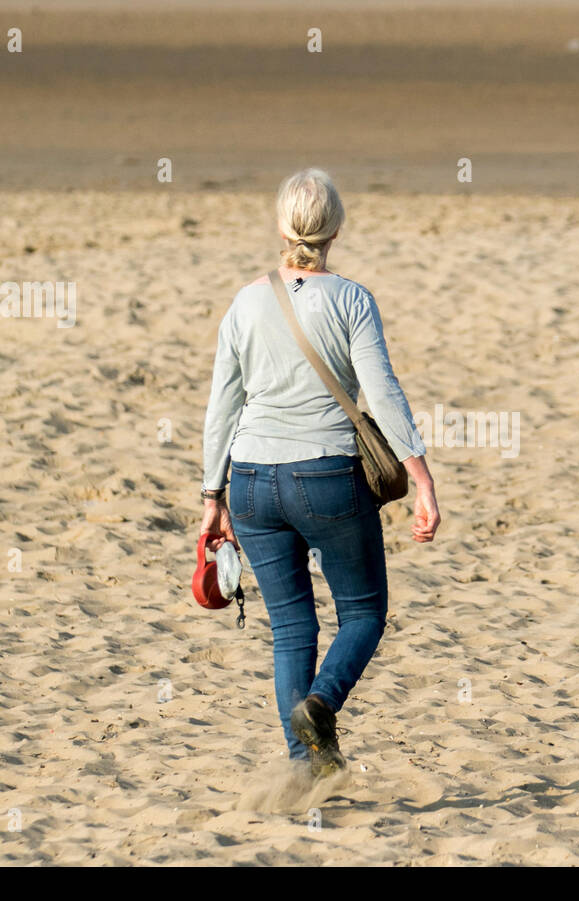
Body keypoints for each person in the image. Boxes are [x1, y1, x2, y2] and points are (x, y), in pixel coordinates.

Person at [200, 168, 440, 777]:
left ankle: (302, 768)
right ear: (335, 229)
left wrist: (213, 494)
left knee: (290, 628)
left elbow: (222, 404)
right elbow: (381, 393)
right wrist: (422, 476)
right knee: (362, 612)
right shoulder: (353, 299)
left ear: (281, 228)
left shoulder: (246, 300)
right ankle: (322, 705)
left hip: (252, 480)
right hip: (327, 475)